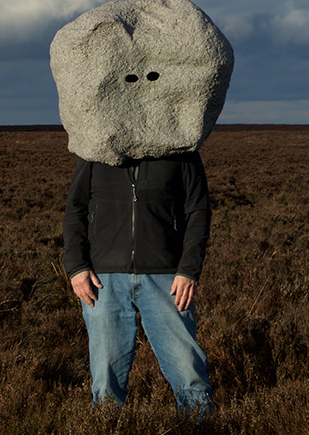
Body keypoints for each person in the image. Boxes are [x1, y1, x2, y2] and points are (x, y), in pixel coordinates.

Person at [63, 151, 214, 411]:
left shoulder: (180, 151)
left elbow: (199, 210)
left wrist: (189, 270)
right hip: (104, 279)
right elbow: (75, 208)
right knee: (106, 379)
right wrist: (76, 267)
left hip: (167, 277)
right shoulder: (96, 150)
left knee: (188, 369)